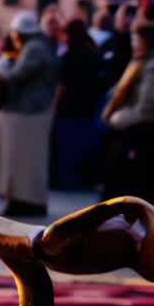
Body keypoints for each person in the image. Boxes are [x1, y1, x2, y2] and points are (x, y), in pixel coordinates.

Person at [0, 8, 61, 218]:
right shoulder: (40, 46)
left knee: (19, 162)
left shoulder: (34, 48)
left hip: (26, 112)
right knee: (27, 162)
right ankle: (26, 201)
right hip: (31, 110)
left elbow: (16, 76)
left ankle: (21, 201)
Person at [100, 23, 154, 210]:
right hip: (142, 125)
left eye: (136, 39)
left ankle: (143, 214)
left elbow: (146, 104)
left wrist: (118, 118)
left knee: (144, 175)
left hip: (148, 127)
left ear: (145, 41)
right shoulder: (141, 61)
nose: (133, 43)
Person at [51, 19, 105, 190]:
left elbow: (62, 86)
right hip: (87, 108)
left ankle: (67, 180)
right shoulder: (93, 54)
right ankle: (83, 180)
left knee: (67, 148)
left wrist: (54, 107)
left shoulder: (68, 57)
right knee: (83, 146)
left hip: (68, 109)